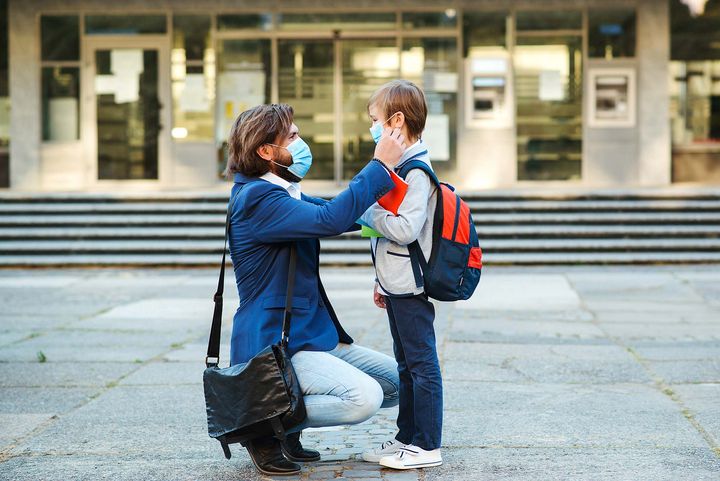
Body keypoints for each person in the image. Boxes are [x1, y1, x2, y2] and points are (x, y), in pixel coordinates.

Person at [224, 103, 406, 476]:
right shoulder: (258, 199)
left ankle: (285, 425)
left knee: (401, 381)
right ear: (265, 152)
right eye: (292, 137)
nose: (301, 142)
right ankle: (263, 427)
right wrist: (379, 166)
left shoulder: (283, 192)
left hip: (310, 334)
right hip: (277, 342)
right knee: (364, 398)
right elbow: (330, 219)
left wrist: (406, 211)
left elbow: (346, 216)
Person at [359, 80, 443, 470]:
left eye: (375, 121)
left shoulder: (417, 171)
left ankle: (426, 444)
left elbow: (405, 229)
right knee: (406, 364)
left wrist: (365, 209)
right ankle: (406, 437)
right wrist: (381, 280)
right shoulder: (402, 168)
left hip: (410, 285)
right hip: (395, 282)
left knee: (421, 364)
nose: (372, 129)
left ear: (396, 121)